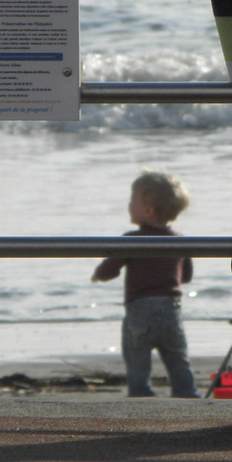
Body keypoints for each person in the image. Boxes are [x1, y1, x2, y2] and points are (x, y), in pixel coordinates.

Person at [92, 168, 198, 398]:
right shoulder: (179, 240)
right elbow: (186, 276)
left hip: (139, 310)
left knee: (137, 361)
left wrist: (99, 274)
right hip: (171, 309)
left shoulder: (132, 239)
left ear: (148, 211)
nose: (129, 204)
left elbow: (110, 268)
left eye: (133, 200)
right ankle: (187, 394)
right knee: (177, 358)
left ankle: (141, 396)